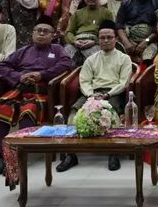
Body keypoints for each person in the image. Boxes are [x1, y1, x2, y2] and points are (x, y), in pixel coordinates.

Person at [0, 15, 72, 176]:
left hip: (41, 91)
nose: (41, 34)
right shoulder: (23, 51)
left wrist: (42, 75)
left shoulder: (57, 50)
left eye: (45, 31)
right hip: (19, 88)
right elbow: (3, 67)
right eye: (38, 30)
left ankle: (20, 153)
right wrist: (19, 76)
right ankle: (1, 156)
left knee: (28, 111)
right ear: (32, 33)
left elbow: (66, 64)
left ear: (52, 35)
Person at [56, 20, 132, 173]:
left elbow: (124, 82)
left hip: (113, 93)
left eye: (109, 37)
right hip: (92, 92)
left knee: (111, 113)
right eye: (102, 38)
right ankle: (71, 154)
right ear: (98, 40)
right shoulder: (91, 59)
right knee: (74, 113)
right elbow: (84, 81)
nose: (106, 40)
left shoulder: (124, 58)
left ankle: (113, 152)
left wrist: (107, 94)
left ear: (116, 39)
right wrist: (91, 95)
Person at [115, 0, 158, 64]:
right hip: (129, 39)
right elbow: (118, 25)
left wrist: (146, 41)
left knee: (148, 59)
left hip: (149, 41)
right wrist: (126, 42)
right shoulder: (126, 3)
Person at [64, 0, 114, 64]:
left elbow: (110, 33)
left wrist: (94, 42)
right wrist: (74, 41)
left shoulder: (107, 13)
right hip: (77, 41)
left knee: (95, 61)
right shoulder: (77, 13)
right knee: (65, 58)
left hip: (95, 43)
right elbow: (69, 32)